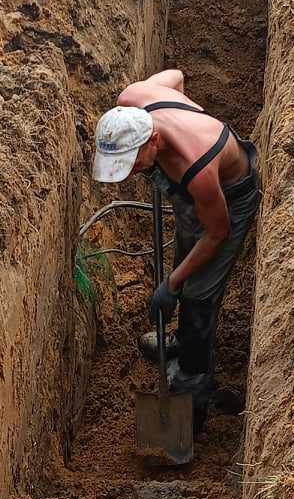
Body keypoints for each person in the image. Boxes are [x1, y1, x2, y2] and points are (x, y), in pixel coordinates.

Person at [91, 69, 260, 426]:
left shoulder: (196, 167)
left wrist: (171, 284)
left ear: (153, 141)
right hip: (192, 192)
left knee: (198, 291)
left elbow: (216, 232)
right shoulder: (133, 100)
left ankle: (191, 392)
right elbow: (177, 76)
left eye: (134, 163)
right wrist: (190, 109)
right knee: (184, 259)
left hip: (228, 198)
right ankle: (180, 340)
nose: (133, 172)